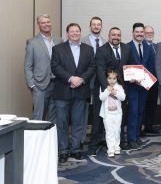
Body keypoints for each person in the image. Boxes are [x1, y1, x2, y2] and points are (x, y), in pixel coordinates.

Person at [51, 23, 95, 163]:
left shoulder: (88, 49)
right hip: (62, 90)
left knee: (78, 122)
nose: (75, 33)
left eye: (77, 31)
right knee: (62, 122)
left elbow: (92, 67)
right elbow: (55, 67)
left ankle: (76, 149)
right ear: (67, 33)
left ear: (80, 33)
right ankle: (63, 150)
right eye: (72, 31)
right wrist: (70, 78)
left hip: (81, 90)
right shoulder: (58, 48)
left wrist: (81, 79)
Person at [88, 27, 132, 156]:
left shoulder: (126, 49)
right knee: (99, 117)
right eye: (113, 35)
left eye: (118, 35)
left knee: (119, 115)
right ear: (108, 36)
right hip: (103, 88)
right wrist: (109, 88)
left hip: (120, 89)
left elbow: (129, 67)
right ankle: (94, 144)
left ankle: (119, 142)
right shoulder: (102, 50)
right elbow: (100, 71)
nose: (116, 37)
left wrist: (134, 76)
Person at [24, 14, 63, 122]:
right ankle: (36, 138)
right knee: (38, 116)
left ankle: (51, 139)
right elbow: (28, 65)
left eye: (48, 22)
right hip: (40, 85)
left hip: (58, 84)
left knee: (54, 116)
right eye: (43, 22)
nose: (46, 24)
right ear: (38, 25)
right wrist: (32, 85)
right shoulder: (32, 42)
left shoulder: (59, 40)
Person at [126, 22, 156, 150]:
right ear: (133, 32)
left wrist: (149, 80)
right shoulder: (127, 47)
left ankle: (137, 136)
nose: (139, 34)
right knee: (133, 112)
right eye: (137, 32)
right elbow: (124, 66)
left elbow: (150, 66)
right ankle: (131, 138)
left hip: (144, 86)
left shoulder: (148, 47)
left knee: (140, 112)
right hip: (132, 86)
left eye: (141, 32)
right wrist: (129, 78)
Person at [81, 16, 106, 144]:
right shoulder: (83, 41)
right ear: (90, 26)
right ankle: (82, 137)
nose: (96, 26)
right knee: (84, 109)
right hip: (86, 80)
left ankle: (98, 135)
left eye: (98, 24)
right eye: (94, 24)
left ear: (101, 26)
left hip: (100, 81)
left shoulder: (104, 41)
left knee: (100, 108)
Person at [99, 70, 126, 158]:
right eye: (109, 78)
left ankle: (116, 147)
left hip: (117, 114)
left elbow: (123, 98)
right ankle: (110, 148)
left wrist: (116, 92)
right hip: (107, 114)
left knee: (117, 130)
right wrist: (107, 91)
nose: (112, 80)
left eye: (114, 78)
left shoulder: (119, 87)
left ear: (117, 79)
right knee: (109, 131)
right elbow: (101, 98)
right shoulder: (103, 87)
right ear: (106, 78)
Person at [142, 25, 159, 136]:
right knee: (143, 105)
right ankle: (141, 127)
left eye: (151, 32)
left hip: (155, 81)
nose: (149, 34)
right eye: (147, 32)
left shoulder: (156, 46)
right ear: (143, 33)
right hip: (144, 81)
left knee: (152, 105)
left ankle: (149, 126)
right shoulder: (141, 46)